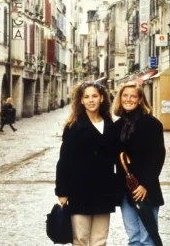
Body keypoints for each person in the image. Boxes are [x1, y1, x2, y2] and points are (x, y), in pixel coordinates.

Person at [55, 81, 118, 246]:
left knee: (100, 240)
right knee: (80, 239)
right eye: (87, 97)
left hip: (104, 191)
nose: (91, 100)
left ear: (102, 98)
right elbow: (64, 162)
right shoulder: (73, 127)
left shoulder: (110, 126)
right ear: (81, 100)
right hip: (80, 191)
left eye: (95, 96)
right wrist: (61, 192)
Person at [113, 81, 165, 246]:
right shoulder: (117, 126)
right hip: (125, 190)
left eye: (133, 96)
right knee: (133, 238)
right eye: (125, 95)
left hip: (145, 190)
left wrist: (145, 185)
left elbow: (157, 157)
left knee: (147, 239)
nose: (128, 99)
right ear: (120, 98)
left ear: (140, 99)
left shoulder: (152, 124)